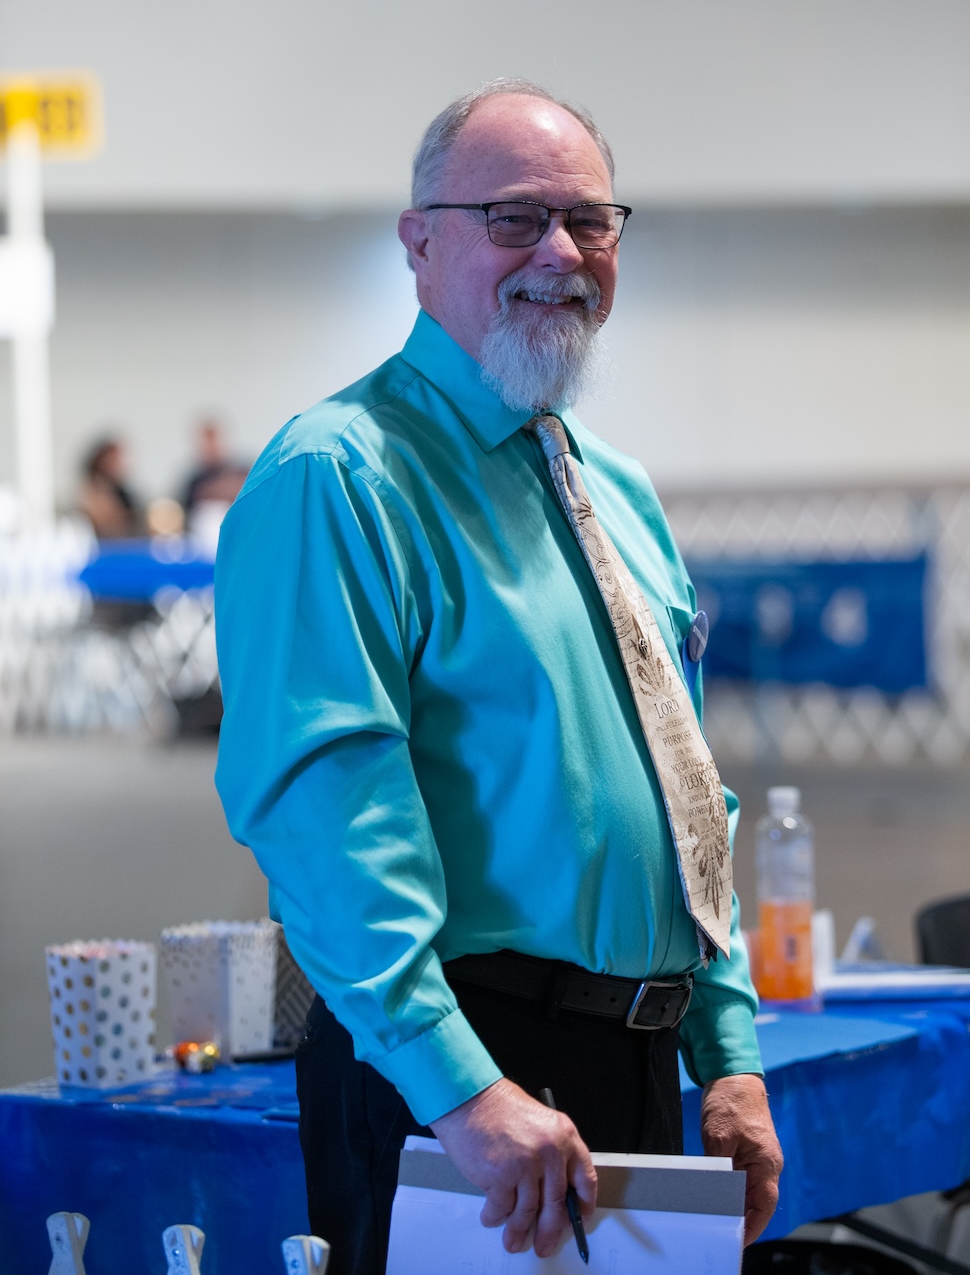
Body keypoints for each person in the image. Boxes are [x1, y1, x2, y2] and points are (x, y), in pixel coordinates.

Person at [215, 79, 782, 1273]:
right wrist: (460, 1089)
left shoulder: (613, 487)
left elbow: (686, 791)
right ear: (419, 244)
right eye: (514, 218)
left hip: (635, 1059)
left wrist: (725, 1054)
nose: (559, 253)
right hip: (463, 1079)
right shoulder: (338, 477)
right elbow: (327, 815)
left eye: (589, 220)